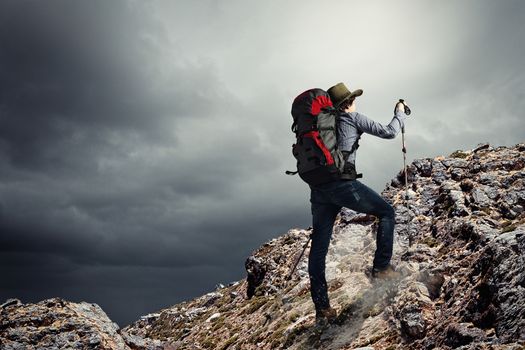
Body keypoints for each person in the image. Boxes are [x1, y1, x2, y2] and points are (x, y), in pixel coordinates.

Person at [308, 82, 408, 323]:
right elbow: (389, 132)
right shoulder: (351, 117)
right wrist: (400, 113)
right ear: (350, 102)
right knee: (386, 212)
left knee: (319, 248)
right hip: (343, 184)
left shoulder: (320, 125)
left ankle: (322, 308)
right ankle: (382, 269)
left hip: (319, 189)